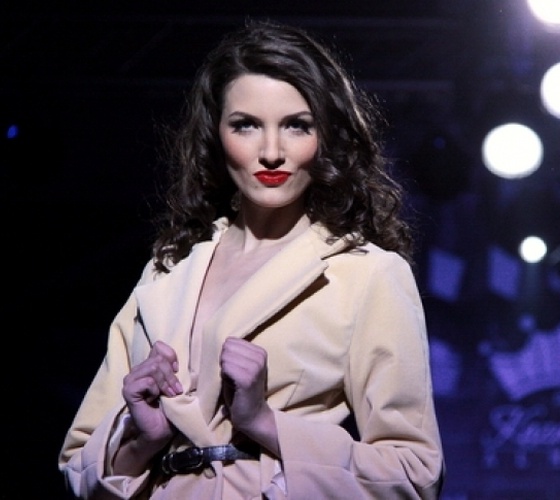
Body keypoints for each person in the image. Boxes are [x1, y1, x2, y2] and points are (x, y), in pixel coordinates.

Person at [58, 19, 444, 499]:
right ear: (216, 136)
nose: (271, 152)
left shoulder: (365, 274)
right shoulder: (167, 270)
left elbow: (414, 474)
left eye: (297, 125)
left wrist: (264, 422)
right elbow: (78, 465)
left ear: (326, 136)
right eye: (246, 125)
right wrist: (142, 441)